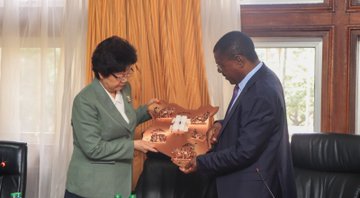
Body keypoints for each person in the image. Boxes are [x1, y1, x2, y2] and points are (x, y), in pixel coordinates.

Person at [180, 31, 297, 198]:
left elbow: (245, 151)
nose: (220, 71)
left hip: (253, 189)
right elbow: (248, 119)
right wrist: (220, 124)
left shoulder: (262, 91)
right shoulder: (258, 80)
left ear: (239, 60)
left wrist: (200, 162)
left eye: (221, 65)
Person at [65, 36, 158, 198]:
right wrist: (133, 145)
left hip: (118, 182)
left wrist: (146, 111)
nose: (125, 79)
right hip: (91, 187)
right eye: (120, 75)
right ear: (101, 73)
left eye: (128, 72)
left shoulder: (124, 88)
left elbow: (121, 122)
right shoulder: (85, 101)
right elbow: (94, 148)